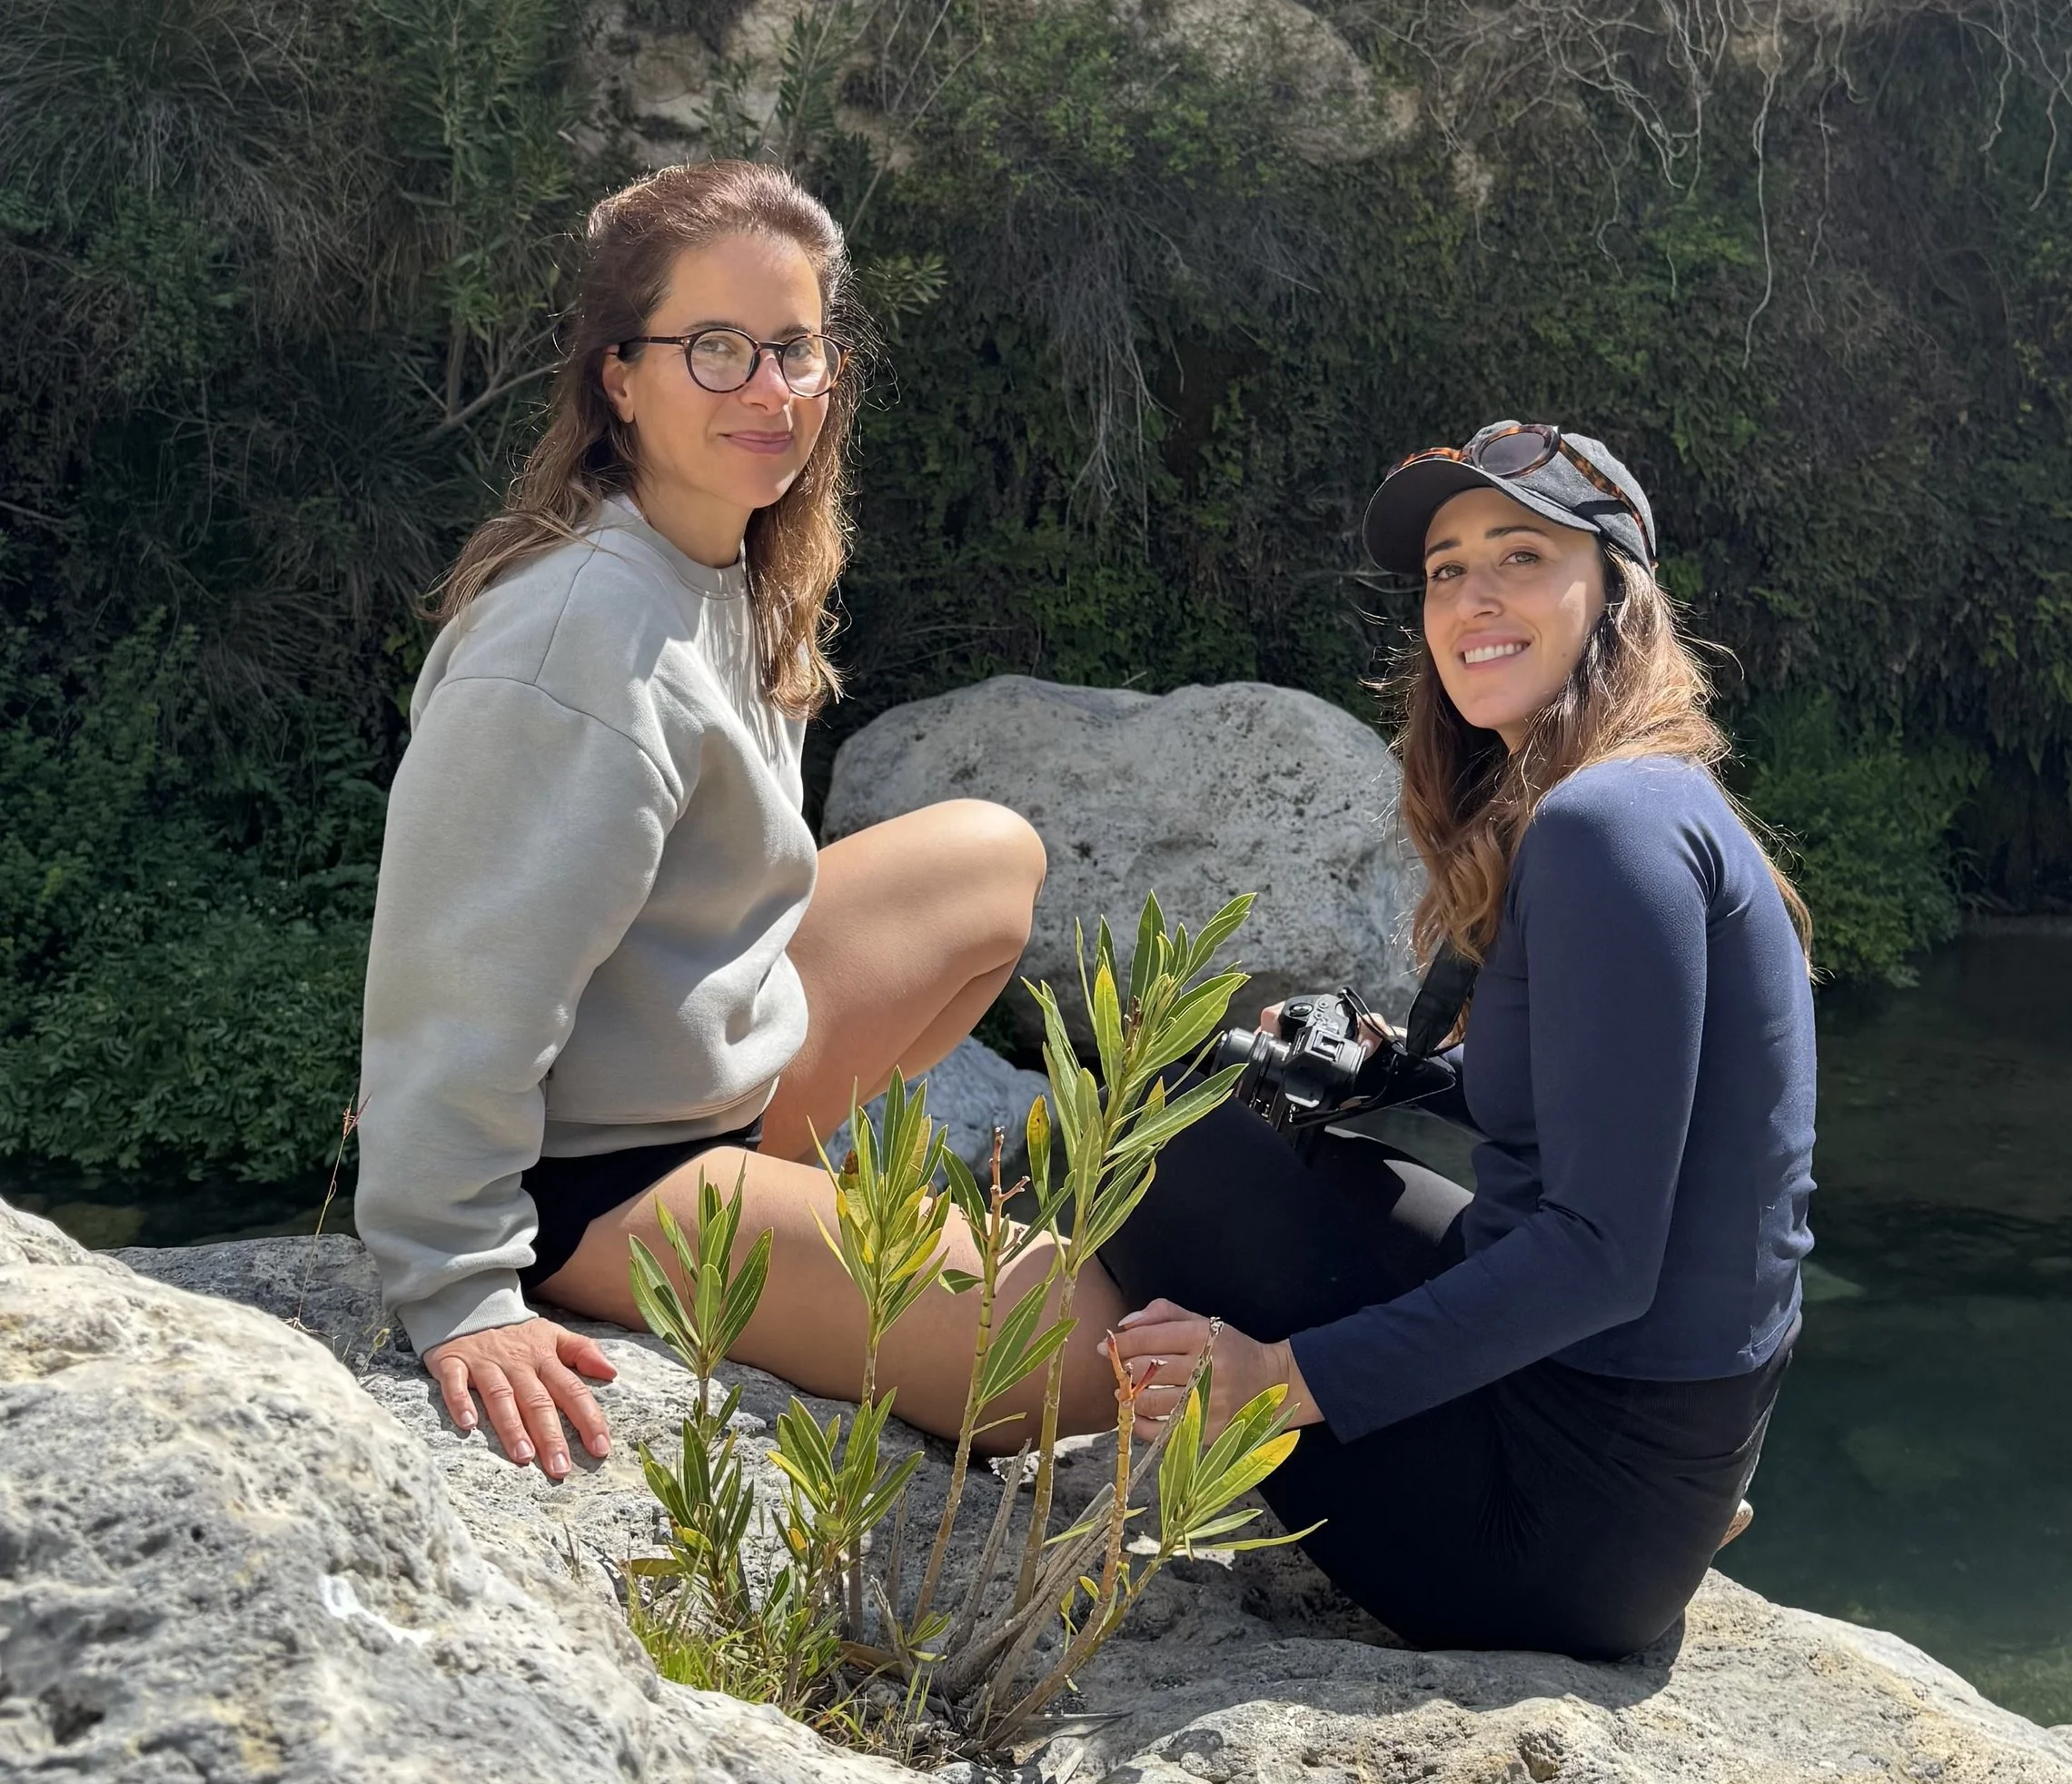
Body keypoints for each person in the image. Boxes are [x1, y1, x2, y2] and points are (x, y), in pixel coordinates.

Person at [355, 159, 1126, 1478]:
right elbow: (456, 979)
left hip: (688, 1075)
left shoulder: (725, 565)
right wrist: (458, 1285)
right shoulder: (571, 641)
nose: (769, 393)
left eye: (795, 349)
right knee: (1090, 1352)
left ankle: (776, 1202)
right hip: (587, 1176)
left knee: (990, 860)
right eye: (715, 350)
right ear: (620, 377)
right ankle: (730, 1244)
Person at [1105, 422, 1816, 1658]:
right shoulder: (1649, 800)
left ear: (1615, 599)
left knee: (1146, 1132)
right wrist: (1400, 1067)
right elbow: (1619, 1118)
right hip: (1646, 1470)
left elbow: (1601, 1256)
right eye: (1445, 570)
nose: (1471, 599)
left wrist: (1267, 1378)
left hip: (1546, 1542)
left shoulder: (1604, 829)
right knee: (1282, 1138)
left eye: (1522, 557)